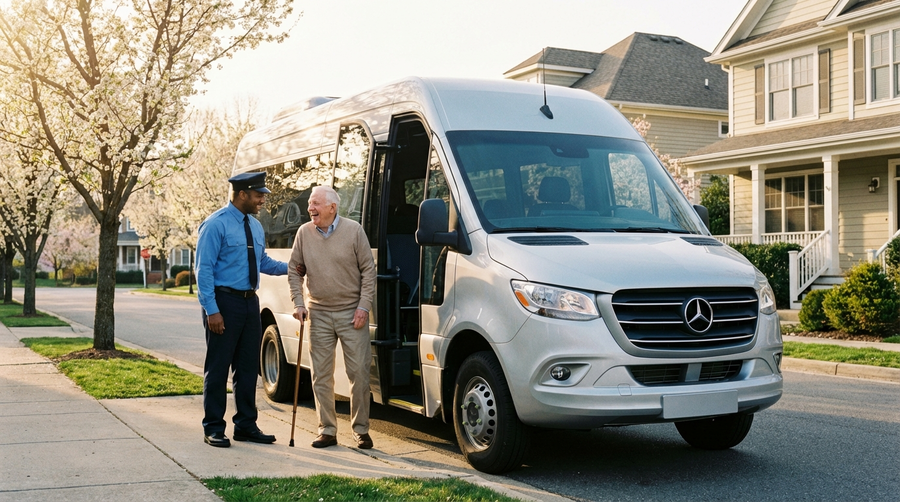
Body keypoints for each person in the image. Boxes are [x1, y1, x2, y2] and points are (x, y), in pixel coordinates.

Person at [196, 171, 288, 448]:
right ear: (242, 194)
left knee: (248, 368)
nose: (262, 200)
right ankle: (213, 427)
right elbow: (204, 271)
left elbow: (263, 262)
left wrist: (294, 268)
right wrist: (212, 310)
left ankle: (246, 425)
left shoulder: (255, 226)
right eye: (258, 195)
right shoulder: (215, 225)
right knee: (218, 368)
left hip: (250, 303)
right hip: (224, 303)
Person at [287, 185, 376, 449]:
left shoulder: (354, 231)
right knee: (321, 375)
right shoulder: (304, 233)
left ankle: (361, 430)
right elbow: (294, 271)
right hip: (319, 313)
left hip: (352, 312)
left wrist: (364, 307)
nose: (310, 208)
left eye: (315, 203)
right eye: (310, 204)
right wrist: (299, 303)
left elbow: (368, 271)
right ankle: (326, 429)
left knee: (359, 373)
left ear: (332, 208)